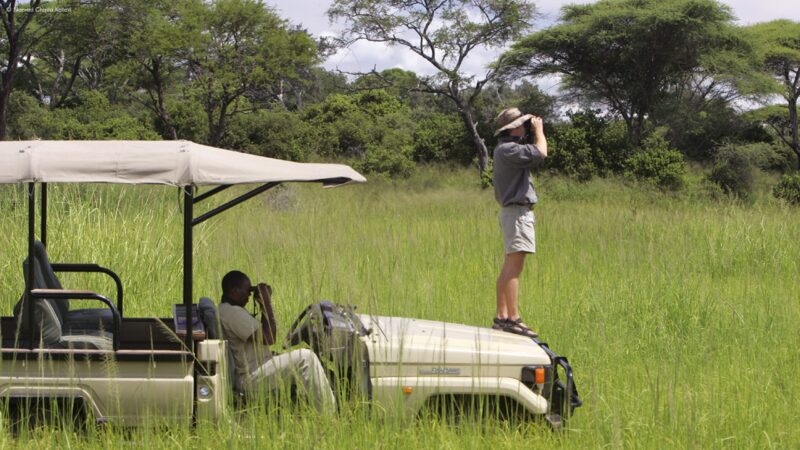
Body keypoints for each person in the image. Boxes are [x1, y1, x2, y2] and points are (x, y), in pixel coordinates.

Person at [217, 270, 336, 414]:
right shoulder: (233, 313)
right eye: (247, 290)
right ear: (234, 291)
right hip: (251, 377)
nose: (249, 295)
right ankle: (329, 414)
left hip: (254, 368)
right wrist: (266, 302)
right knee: (306, 358)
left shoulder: (227, 310)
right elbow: (269, 338)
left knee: (295, 357)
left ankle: (304, 410)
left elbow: (260, 341)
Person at [491, 107, 548, 338]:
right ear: (514, 128)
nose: (526, 127)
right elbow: (541, 152)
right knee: (514, 268)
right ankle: (513, 318)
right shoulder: (510, 149)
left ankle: (502, 316)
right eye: (523, 124)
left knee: (508, 266)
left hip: (512, 213)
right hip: (517, 213)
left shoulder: (503, 149)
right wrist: (539, 131)